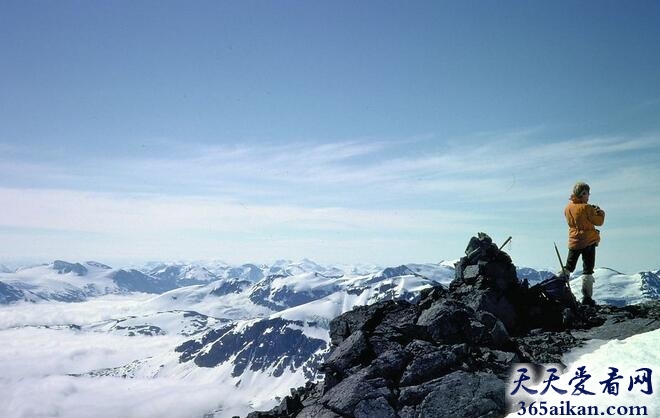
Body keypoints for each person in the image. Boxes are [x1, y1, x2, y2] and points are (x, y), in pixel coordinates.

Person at [563, 182, 605, 306]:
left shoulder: (568, 207)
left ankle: (558, 286)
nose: (588, 196)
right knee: (588, 270)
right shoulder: (587, 208)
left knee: (569, 266)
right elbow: (598, 222)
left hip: (574, 240)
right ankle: (587, 297)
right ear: (583, 194)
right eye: (587, 194)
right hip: (588, 240)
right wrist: (600, 212)